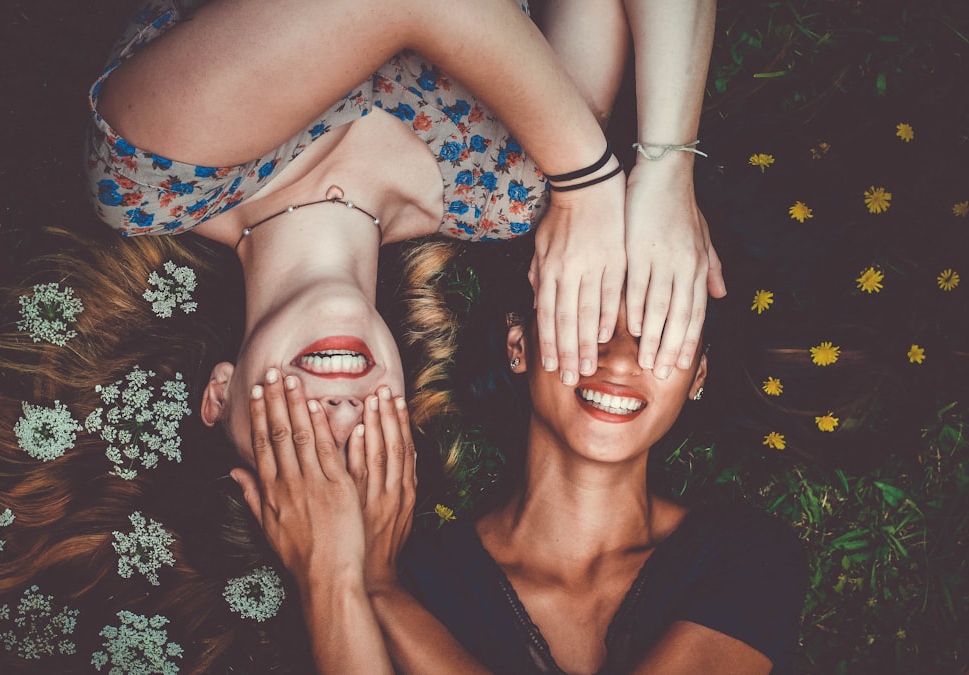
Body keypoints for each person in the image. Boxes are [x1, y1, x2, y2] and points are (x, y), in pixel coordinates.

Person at [85, 0, 725, 465]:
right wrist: (669, 170)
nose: (339, 413)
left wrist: (588, 180)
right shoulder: (501, 194)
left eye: (294, 441)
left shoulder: (153, 178)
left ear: (220, 395)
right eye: (366, 450)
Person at [237, 285, 808, 673]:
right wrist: (338, 580)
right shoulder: (428, 580)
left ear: (698, 372)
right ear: (520, 344)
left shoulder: (751, 557)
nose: (621, 357)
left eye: (661, 330)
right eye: (588, 314)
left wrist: (372, 590)